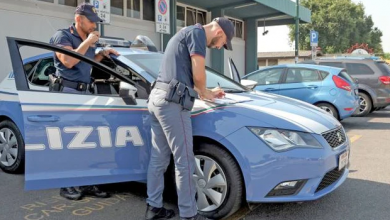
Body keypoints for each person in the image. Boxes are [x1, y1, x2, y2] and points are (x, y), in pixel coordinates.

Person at [145, 17, 234, 220]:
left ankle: (154, 208)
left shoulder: (184, 33)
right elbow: (198, 74)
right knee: (184, 162)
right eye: (223, 43)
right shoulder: (198, 34)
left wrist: (207, 91)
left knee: (158, 159)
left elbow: (185, 78)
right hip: (172, 104)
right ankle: (189, 214)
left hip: (157, 98)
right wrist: (206, 91)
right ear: (220, 32)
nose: (220, 47)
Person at [49, 3, 118, 200]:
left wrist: (101, 54)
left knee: (87, 140)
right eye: (91, 21)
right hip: (68, 91)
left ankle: (87, 182)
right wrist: (88, 42)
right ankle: (66, 185)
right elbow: (69, 61)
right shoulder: (62, 36)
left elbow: (87, 63)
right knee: (70, 141)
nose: (94, 26)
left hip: (86, 92)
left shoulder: (86, 40)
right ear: (78, 19)